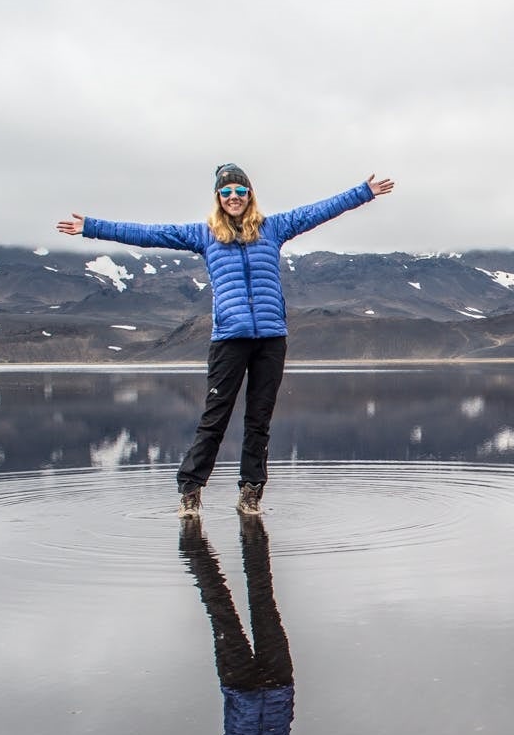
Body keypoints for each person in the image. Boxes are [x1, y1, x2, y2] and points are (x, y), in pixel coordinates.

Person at [57, 164, 395, 516]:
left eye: (240, 191)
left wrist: (362, 193)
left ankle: (251, 493)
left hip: (270, 339)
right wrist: (92, 227)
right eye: (227, 192)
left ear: (250, 195)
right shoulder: (204, 235)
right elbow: (149, 233)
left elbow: (317, 212)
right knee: (214, 418)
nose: (234, 197)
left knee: (259, 421)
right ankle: (190, 491)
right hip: (229, 339)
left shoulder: (273, 228)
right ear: (218, 198)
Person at [76, 515, 403, 735]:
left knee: (220, 609)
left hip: (239, 686)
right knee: (264, 601)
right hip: (278, 684)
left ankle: (193, 545)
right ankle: (252, 535)